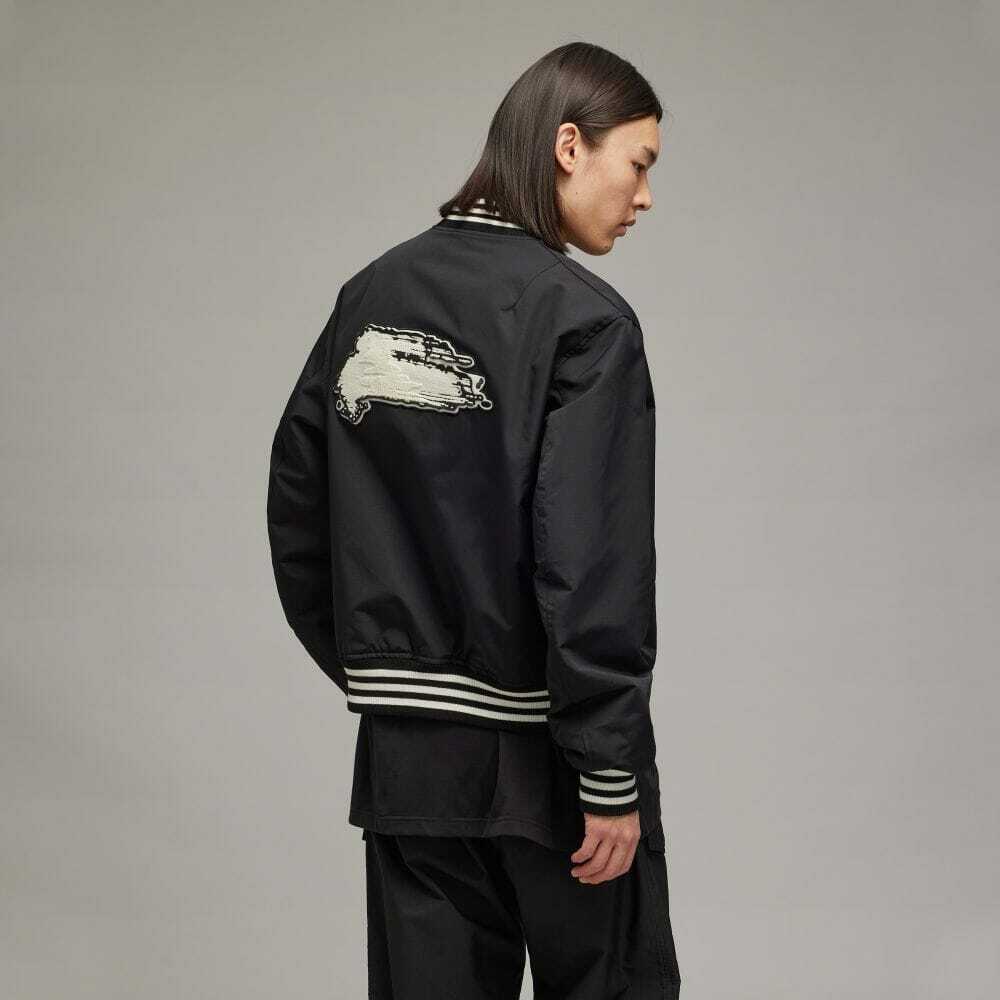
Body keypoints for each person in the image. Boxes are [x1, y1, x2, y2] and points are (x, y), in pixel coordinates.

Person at [267, 41, 681, 999]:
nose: (645, 197)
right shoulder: (585, 322)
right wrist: (607, 771)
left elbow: (297, 511)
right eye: (639, 164)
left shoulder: (370, 295)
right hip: (556, 761)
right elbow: (592, 562)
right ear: (569, 146)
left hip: (410, 767)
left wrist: (392, 672)